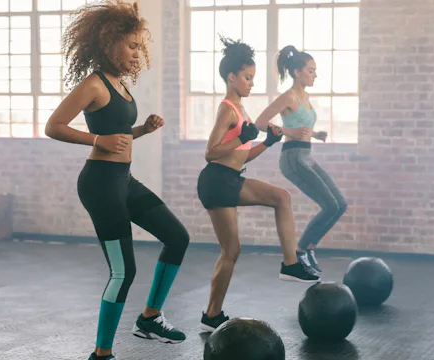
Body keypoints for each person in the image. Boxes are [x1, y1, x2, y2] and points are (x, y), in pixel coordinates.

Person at [44, 2, 189, 359]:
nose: (137, 54)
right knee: (124, 272)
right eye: (132, 46)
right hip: (100, 184)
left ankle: (150, 317)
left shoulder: (118, 83)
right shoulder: (92, 84)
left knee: (177, 237)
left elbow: (118, 136)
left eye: (139, 46)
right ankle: (102, 353)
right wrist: (96, 140)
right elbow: (53, 126)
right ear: (109, 43)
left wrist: (143, 129)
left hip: (123, 179)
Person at [197, 36, 320, 332]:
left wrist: (267, 141)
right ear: (232, 77)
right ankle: (212, 314)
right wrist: (243, 136)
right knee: (232, 250)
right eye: (248, 78)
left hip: (229, 178)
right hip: (216, 181)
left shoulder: (242, 109)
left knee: (281, 198)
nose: (252, 83)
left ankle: (289, 264)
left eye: (253, 78)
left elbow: (242, 154)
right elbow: (210, 152)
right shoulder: (228, 108)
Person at [255, 45, 348, 275]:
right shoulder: (288, 97)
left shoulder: (305, 97)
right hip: (292, 158)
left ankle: (308, 247)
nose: (314, 74)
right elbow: (259, 122)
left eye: (315, 70)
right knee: (329, 206)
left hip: (306, 155)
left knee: (340, 205)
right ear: (297, 72)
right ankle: (300, 250)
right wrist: (289, 132)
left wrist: (316, 134)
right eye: (310, 70)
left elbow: (302, 126)